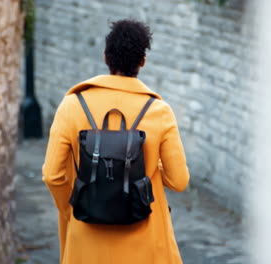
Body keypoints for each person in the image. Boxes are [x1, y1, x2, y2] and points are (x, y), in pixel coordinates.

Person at [42, 19, 190, 264]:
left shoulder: (72, 105)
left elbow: (52, 175)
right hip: (146, 241)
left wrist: (72, 209)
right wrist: (147, 168)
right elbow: (179, 181)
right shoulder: (159, 111)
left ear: (105, 57)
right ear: (142, 61)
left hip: (87, 238)